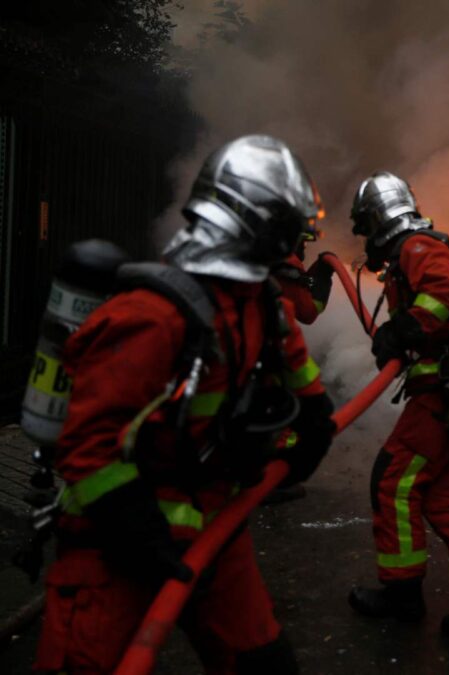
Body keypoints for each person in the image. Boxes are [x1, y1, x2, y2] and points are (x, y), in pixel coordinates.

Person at [34, 135, 336, 674]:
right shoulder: (152, 316)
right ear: (249, 222)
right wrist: (132, 523)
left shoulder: (261, 301)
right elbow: (86, 445)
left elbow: (301, 375)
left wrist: (315, 419)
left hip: (215, 524)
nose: (297, 242)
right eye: (288, 228)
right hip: (116, 543)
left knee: (263, 663)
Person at [345, 171, 449, 637]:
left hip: (448, 391)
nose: (366, 241)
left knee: (394, 480)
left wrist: (404, 329)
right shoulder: (417, 250)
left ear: (376, 220)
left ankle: (401, 597)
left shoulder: (417, 248)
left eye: (364, 227)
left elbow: (444, 293)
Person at [263, 215, 336, 505]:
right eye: (303, 242)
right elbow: (308, 312)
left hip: (240, 347)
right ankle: (274, 479)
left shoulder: (255, 255)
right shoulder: (286, 264)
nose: (303, 250)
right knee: (284, 411)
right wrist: (322, 279)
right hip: (270, 354)